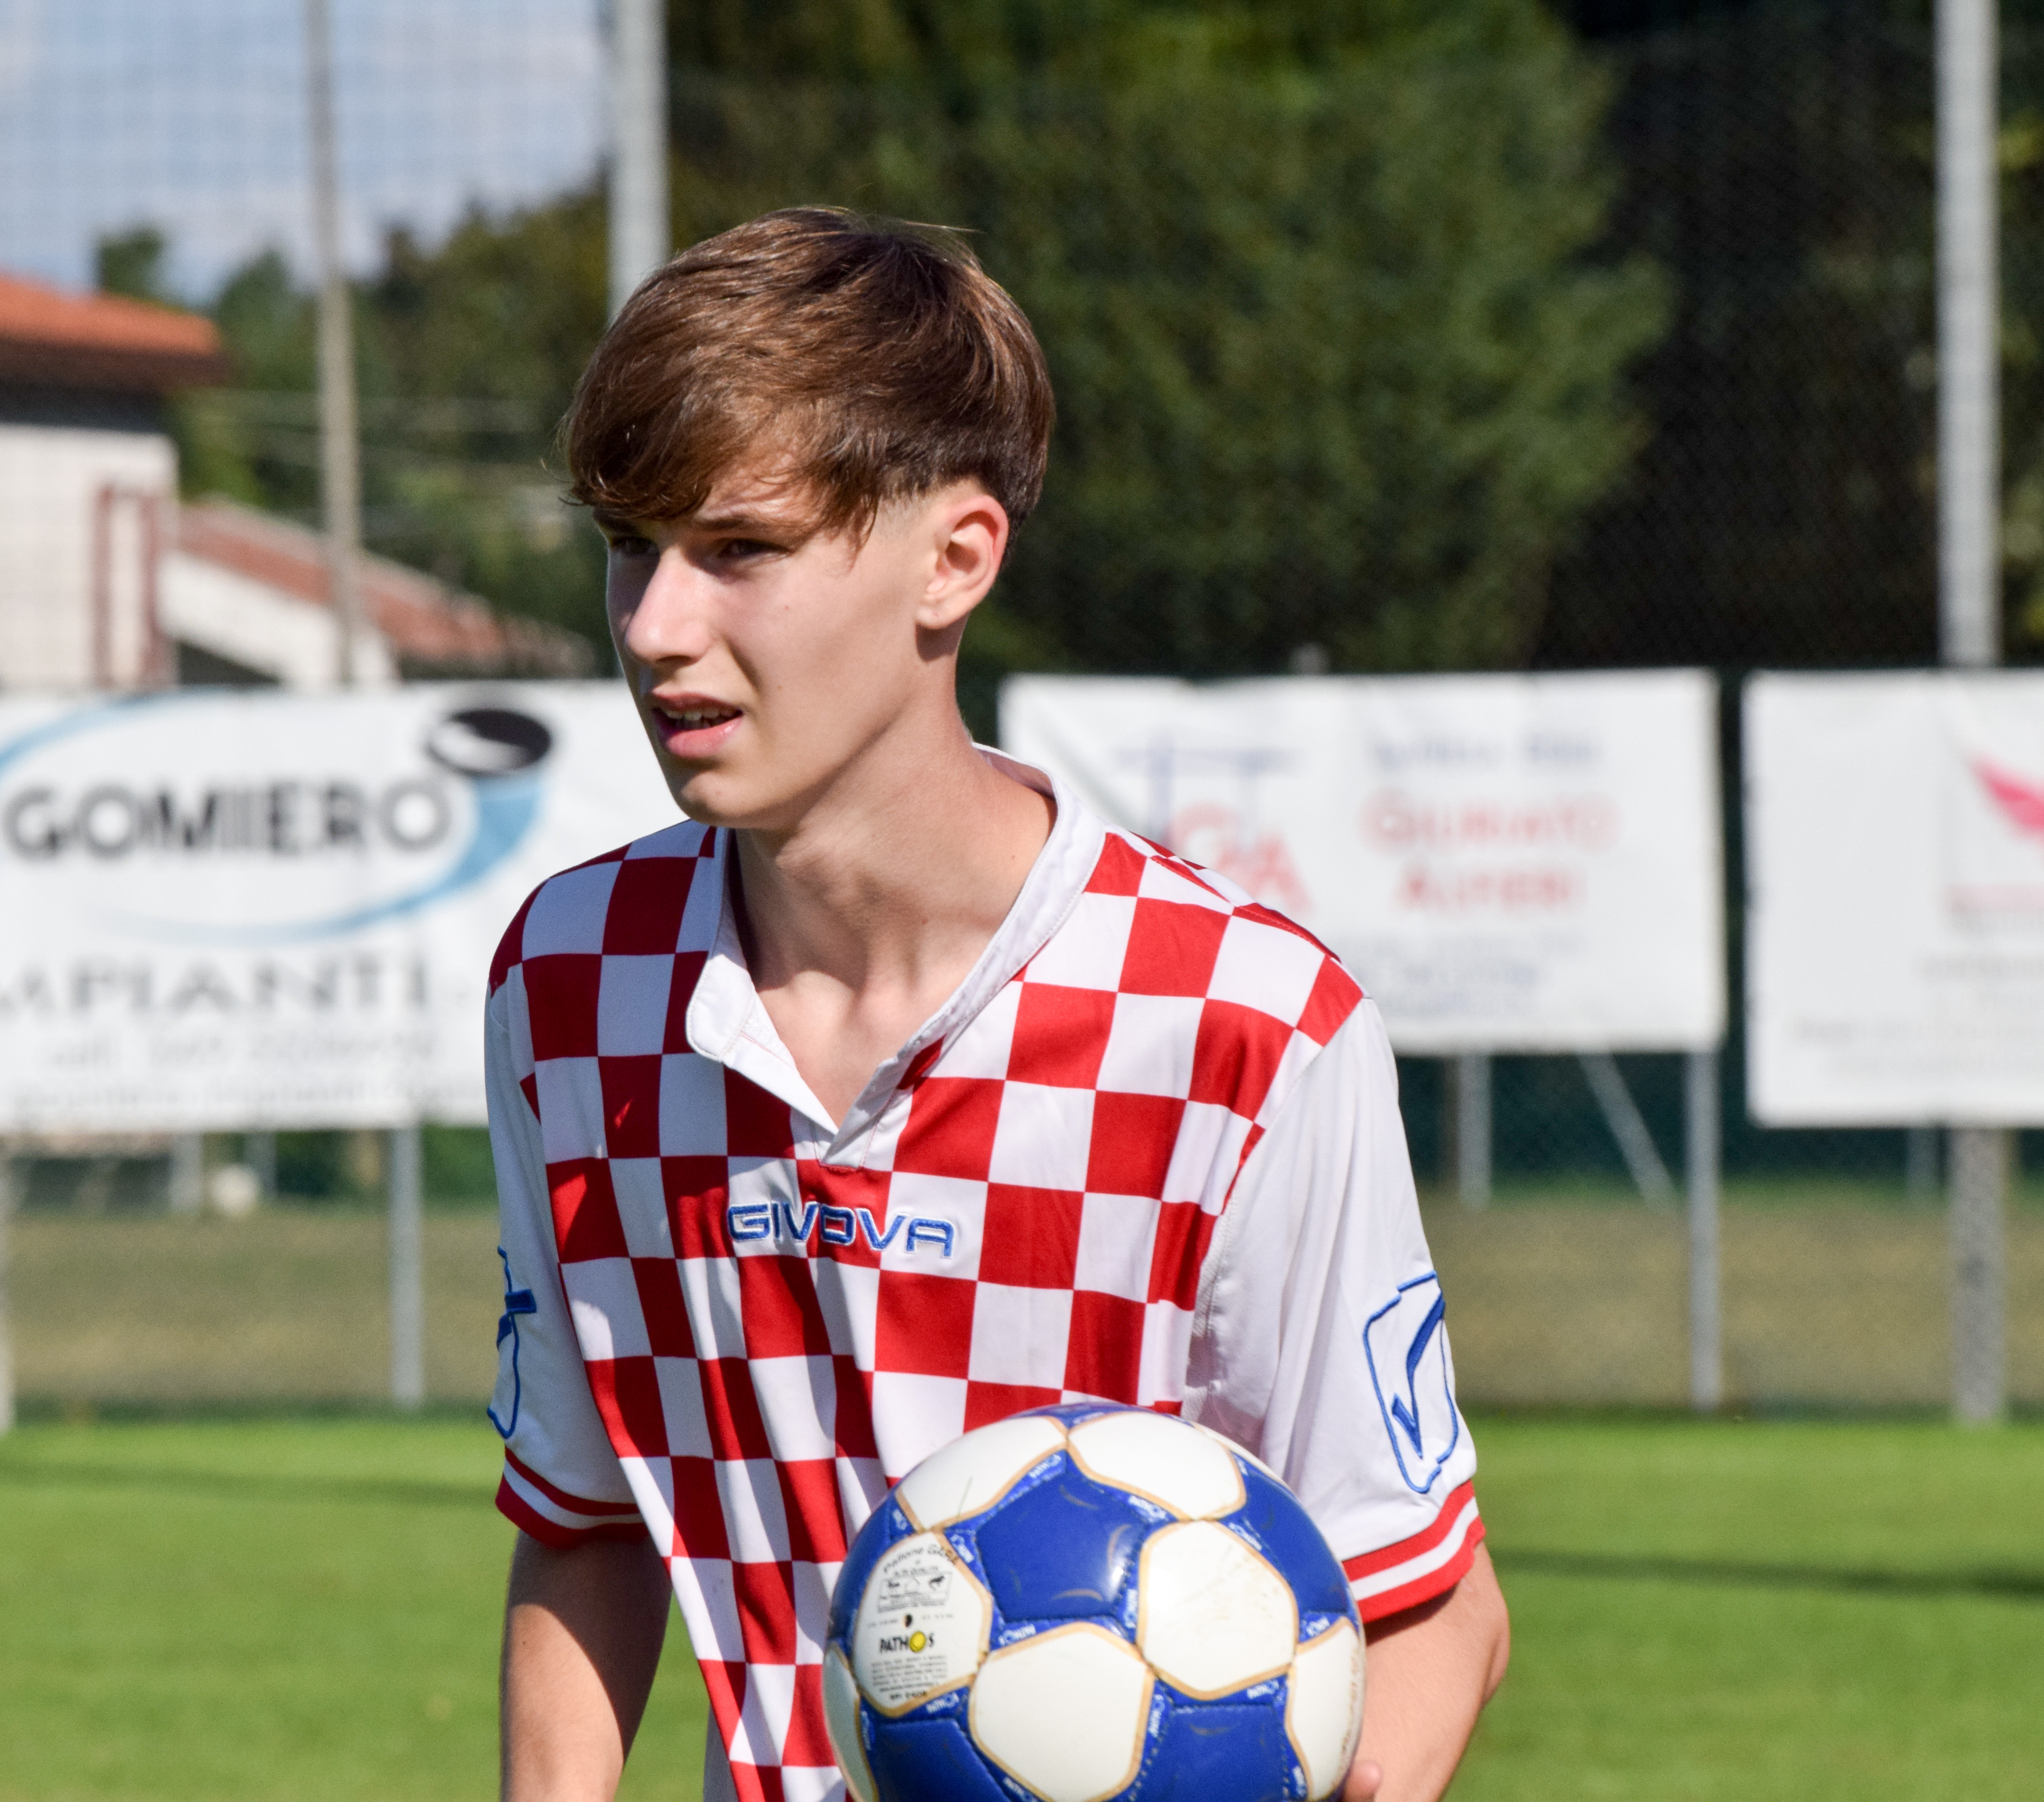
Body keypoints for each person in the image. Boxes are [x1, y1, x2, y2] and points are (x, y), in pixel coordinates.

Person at [487, 208, 1508, 1802]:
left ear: (955, 559)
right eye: (632, 545)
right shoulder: (576, 991)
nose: (655, 626)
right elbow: (589, 1520)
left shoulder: (1239, 1026)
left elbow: (1433, 1603)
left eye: (739, 550)